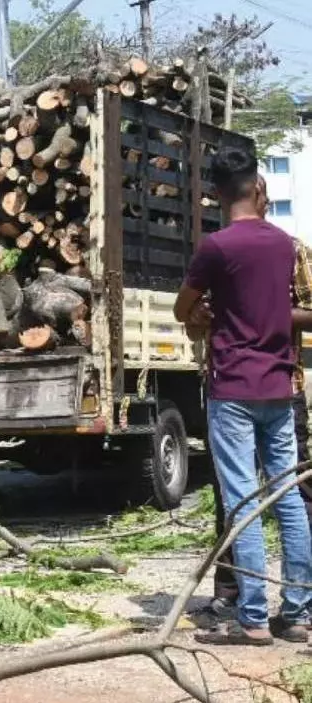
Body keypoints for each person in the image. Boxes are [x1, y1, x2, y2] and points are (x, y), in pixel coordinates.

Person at [174, 148, 312, 645]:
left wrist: (207, 313)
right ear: (257, 186)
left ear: (215, 193)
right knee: (288, 497)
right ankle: (297, 614)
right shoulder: (285, 246)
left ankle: (252, 619)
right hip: (279, 385)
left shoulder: (216, 248)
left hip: (232, 386)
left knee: (242, 500)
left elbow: (181, 309)